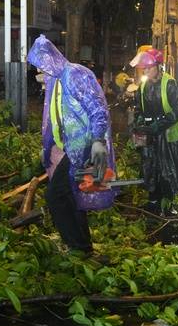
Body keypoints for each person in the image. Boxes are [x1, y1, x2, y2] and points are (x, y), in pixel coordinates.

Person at [27, 34, 115, 256]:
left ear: (50, 60)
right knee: (72, 197)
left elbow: (98, 110)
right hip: (72, 149)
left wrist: (95, 144)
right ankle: (82, 246)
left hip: (84, 147)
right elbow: (55, 118)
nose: (39, 72)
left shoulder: (75, 74)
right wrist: (49, 148)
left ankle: (78, 245)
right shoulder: (55, 81)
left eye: (40, 66)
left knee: (55, 196)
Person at [131, 48, 178, 212]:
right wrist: (139, 121)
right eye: (144, 68)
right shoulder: (143, 86)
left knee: (170, 170)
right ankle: (154, 200)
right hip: (153, 134)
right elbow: (138, 108)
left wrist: (160, 124)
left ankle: (170, 203)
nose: (146, 71)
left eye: (149, 68)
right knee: (151, 167)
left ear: (158, 67)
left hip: (171, 135)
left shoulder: (169, 84)